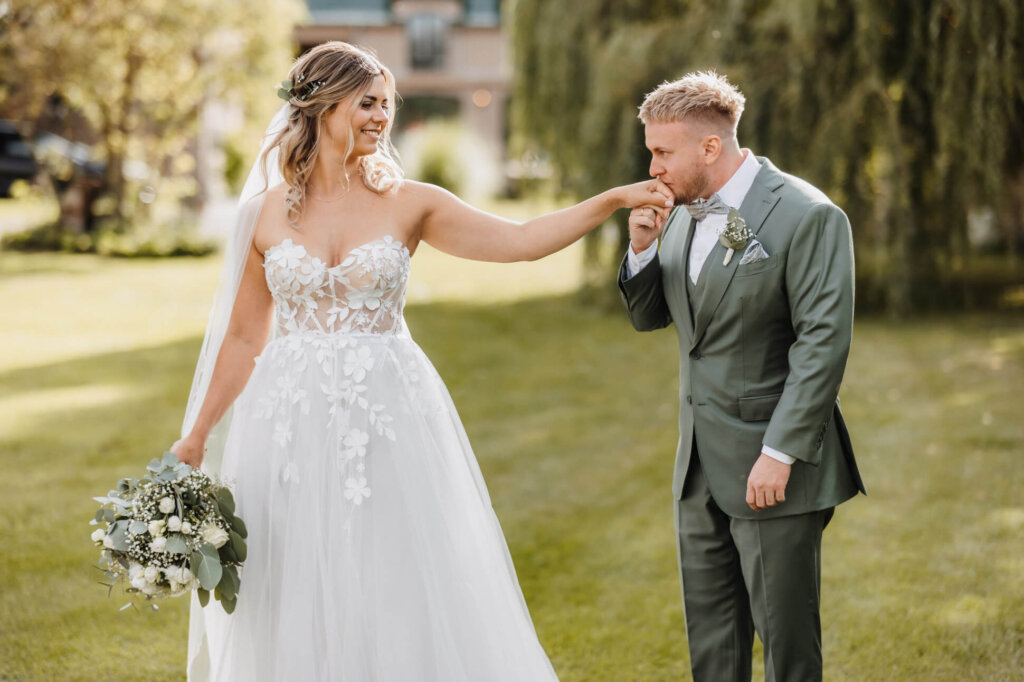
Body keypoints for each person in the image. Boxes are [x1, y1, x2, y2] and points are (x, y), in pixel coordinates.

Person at [170, 41, 672, 681]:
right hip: (287, 419)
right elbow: (244, 338)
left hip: (387, 411)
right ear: (321, 105)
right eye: (368, 102)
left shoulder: (412, 202)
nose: (382, 116)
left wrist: (610, 202)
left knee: (393, 565)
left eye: (387, 103)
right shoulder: (262, 216)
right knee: (292, 569)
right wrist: (197, 434)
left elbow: (519, 243)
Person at [618, 71, 866, 682]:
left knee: (788, 652)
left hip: (771, 469)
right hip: (696, 466)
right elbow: (652, 318)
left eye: (661, 152)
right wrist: (643, 249)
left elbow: (823, 344)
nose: (652, 167)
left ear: (710, 147)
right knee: (713, 649)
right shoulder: (677, 210)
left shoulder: (808, 216)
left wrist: (779, 452)